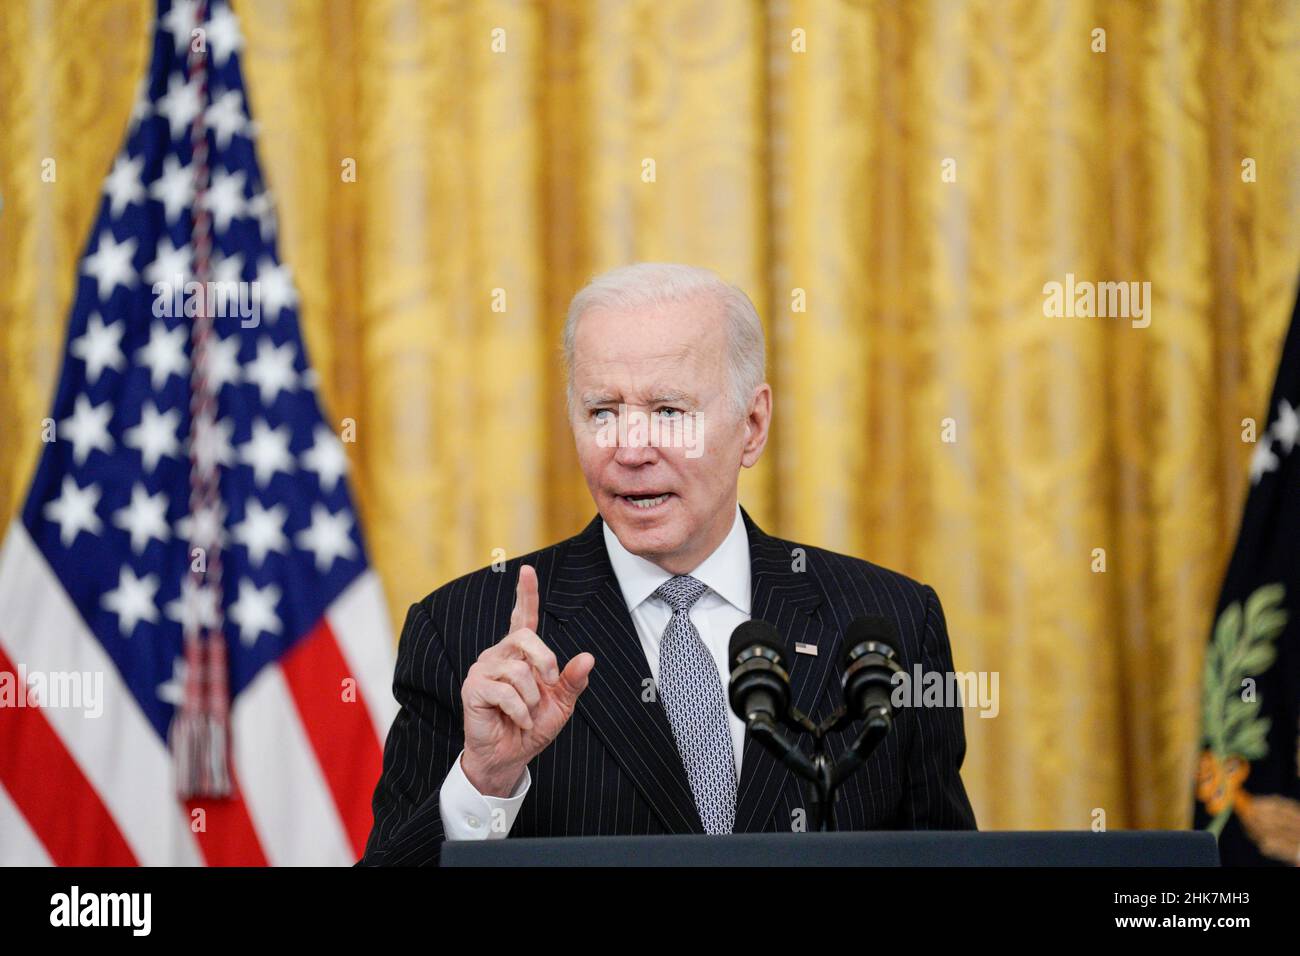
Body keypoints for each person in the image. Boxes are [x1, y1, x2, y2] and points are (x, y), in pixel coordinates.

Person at [360, 263, 976, 865]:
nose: (630, 449)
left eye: (668, 412)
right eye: (603, 412)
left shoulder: (891, 623)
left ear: (753, 426)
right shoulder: (464, 630)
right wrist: (484, 782)